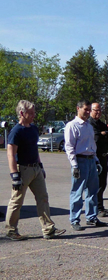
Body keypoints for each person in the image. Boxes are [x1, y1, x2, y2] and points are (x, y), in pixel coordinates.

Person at [5, 100, 66, 240]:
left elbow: (34, 150)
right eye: (30, 113)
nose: (33, 115)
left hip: (35, 168)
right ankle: (11, 230)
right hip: (23, 170)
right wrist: (14, 175)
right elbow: (11, 154)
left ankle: (48, 229)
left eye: (34, 113)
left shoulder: (33, 128)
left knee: (43, 198)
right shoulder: (16, 131)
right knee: (16, 201)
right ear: (22, 113)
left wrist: (41, 166)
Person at [65, 100, 107, 231]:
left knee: (92, 191)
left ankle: (91, 217)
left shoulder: (89, 126)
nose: (88, 112)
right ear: (78, 108)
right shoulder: (72, 126)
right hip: (80, 160)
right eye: (86, 109)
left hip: (90, 160)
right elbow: (69, 147)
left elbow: (91, 146)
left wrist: (96, 160)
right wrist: (74, 165)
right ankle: (75, 219)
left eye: (89, 110)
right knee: (77, 192)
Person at [89, 102, 108, 217]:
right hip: (96, 157)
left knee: (103, 183)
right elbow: (96, 137)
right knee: (96, 184)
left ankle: (100, 206)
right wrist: (105, 135)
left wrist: (105, 133)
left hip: (104, 157)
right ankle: (96, 209)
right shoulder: (90, 123)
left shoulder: (100, 123)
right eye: (96, 110)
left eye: (100, 110)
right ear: (91, 110)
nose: (98, 112)